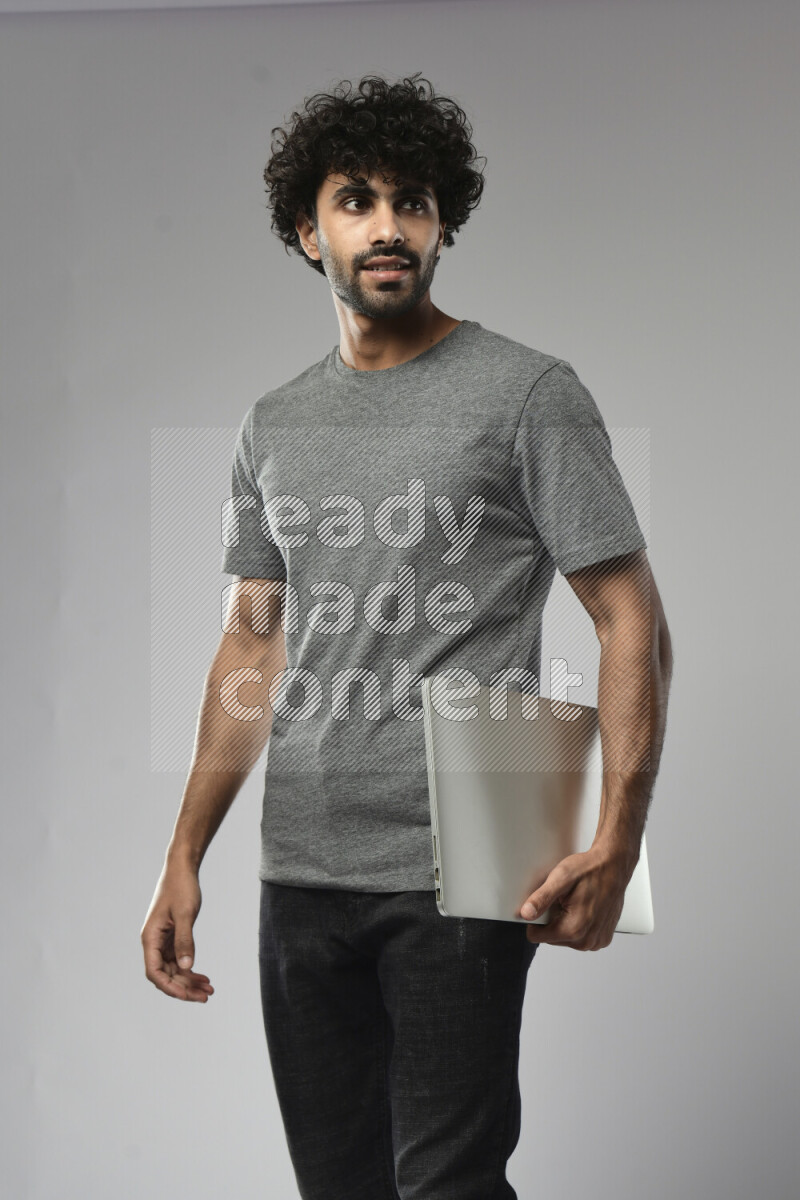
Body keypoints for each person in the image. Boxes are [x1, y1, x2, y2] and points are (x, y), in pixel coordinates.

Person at [141, 73, 673, 1200]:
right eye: (355, 200)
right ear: (307, 229)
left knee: (445, 1187)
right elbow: (249, 648)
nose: (387, 226)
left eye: (412, 202)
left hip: (459, 870)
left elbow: (630, 618)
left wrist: (616, 837)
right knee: (337, 1188)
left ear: (441, 225)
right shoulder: (272, 424)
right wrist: (183, 854)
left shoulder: (525, 394)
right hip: (300, 871)